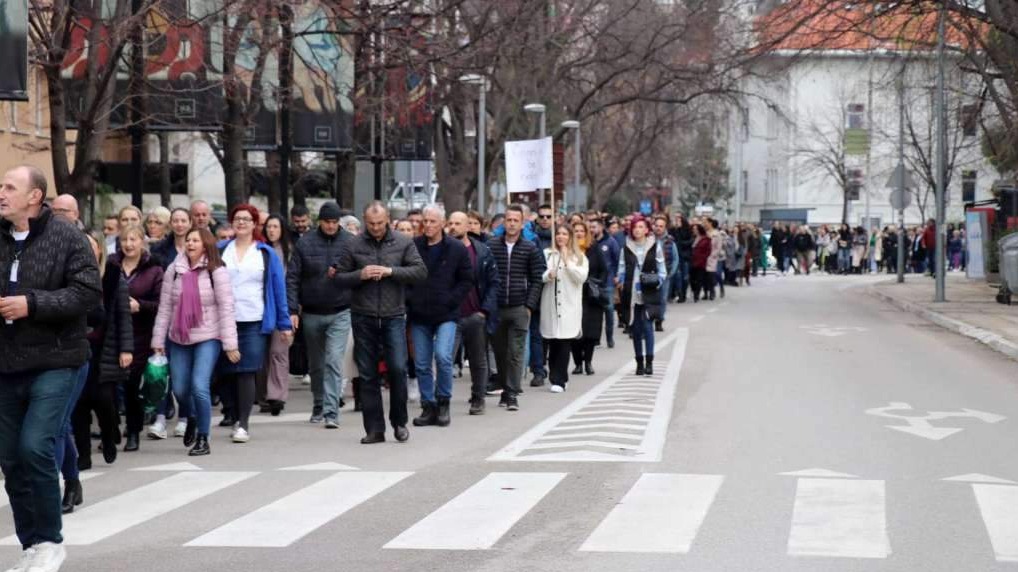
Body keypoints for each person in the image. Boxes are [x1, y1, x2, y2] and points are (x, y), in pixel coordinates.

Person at [0, 165, 102, 572]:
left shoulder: (66, 237)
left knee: (34, 446)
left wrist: (33, 304)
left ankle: (50, 542)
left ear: (35, 197)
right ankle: (32, 545)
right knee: (9, 458)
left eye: (10, 187)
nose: (1, 193)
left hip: (58, 360)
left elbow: (88, 292)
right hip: (7, 363)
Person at [335, 201, 427, 444]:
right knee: (367, 375)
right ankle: (374, 429)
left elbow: (420, 272)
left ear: (387, 219)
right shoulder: (352, 243)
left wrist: (390, 272)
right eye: (371, 223)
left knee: (397, 369)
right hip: (363, 315)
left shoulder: (403, 242)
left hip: (393, 315)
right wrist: (360, 275)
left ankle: (399, 423)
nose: (376, 228)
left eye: (380, 223)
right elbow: (338, 278)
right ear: (365, 221)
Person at [152, 228, 239, 456]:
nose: (190, 244)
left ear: (205, 244)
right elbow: (164, 309)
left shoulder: (216, 271)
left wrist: (230, 344)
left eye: (195, 240)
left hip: (208, 336)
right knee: (180, 390)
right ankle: (190, 416)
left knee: (199, 386)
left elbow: (227, 308)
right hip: (179, 337)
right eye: (188, 240)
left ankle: (203, 437)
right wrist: (158, 340)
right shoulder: (174, 270)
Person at [217, 205, 292, 442]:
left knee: (246, 371)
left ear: (254, 224)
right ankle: (232, 412)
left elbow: (278, 291)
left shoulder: (265, 253)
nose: (241, 223)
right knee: (226, 371)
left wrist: (284, 323)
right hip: (223, 319)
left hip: (254, 320)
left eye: (246, 219)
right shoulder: (219, 250)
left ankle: (243, 423)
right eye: (237, 219)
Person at [286, 202, 354, 427]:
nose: (331, 226)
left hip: (341, 310)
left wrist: (344, 274)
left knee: (334, 361)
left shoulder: (350, 243)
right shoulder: (305, 243)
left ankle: (331, 411)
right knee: (316, 364)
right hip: (312, 312)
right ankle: (318, 402)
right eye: (327, 222)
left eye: (335, 222)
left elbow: (359, 273)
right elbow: (293, 277)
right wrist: (293, 310)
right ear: (320, 222)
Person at [407, 206, 472, 427]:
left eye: (433, 221)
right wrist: (411, 299)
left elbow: (466, 279)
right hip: (419, 313)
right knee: (422, 363)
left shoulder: (455, 248)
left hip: (446, 313)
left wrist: (451, 300)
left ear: (442, 223)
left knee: (443, 357)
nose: (428, 225)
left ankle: (444, 401)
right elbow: (405, 274)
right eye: (425, 221)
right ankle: (429, 405)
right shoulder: (413, 246)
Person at [107, 225, 163, 453]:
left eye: (133, 239)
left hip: (141, 334)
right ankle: (110, 430)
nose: (128, 244)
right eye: (124, 240)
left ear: (142, 242)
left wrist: (140, 305)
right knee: (108, 387)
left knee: (131, 387)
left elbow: (161, 304)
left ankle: (133, 431)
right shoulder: (111, 264)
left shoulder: (154, 269)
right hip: (113, 333)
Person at [487, 205, 545, 411]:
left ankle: (512, 393)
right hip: (497, 308)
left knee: (516, 352)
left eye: (515, 220)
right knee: (500, 353)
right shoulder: (492, 245)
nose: (511, 224)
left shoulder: (529, 248)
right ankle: (504, 388)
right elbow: (485, 276)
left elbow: (537, 279)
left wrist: (529, 305)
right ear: (504, 222)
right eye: (508, 220)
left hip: (519, 308)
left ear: (522, 223)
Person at [447, 212, 499, 415]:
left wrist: (484, 311)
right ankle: (441, 399)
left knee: (478, 360)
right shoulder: (442, 250)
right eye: (450, 223)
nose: (453, 226)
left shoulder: (482, 251)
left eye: (457, 223)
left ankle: (478, 398)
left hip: (475, 314)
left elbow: (494, 282)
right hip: (449, 316)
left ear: (468, 226)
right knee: (444, 358)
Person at [540, 225, 589, 393]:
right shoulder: (548, 255)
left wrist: (568, 261)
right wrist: (547, 275)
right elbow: (538, 276)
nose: (561, 237)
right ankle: (559, 376)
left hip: (569, 306)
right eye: (558, 233)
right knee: (553, 341)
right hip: (550, 306)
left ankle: (558, 380)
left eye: (564, 234)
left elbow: (581, 277)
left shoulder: (579, 257)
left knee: (564, 342)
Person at [618, 216, 666, 376]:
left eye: (641, 227)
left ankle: (649, 362)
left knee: (647, 327)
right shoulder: (626, 248)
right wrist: (621, 281)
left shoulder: (655, 246)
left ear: (647, 230)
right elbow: (622, 269)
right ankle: (639, 362)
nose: (637, 229)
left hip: (649, 292)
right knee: (636, 330)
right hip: (632, 294)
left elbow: (662, 269)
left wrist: (658, 281)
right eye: (635, 227)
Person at [261, 216, 293, 415]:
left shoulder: (290, 252)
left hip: (284, 307)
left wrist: (294, 309)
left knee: (279, 352)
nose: (272, 230)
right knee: (262, 354)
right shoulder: (260, 250)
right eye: (269, 226)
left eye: (275, 226)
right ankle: (264, 395)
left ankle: (277, 396)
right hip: (262, 307)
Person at [571, 221, 606, 377]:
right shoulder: (569, 251)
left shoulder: (594, 249)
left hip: (591, 296)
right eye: (576, 231)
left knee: (590, 332)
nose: (579, 234)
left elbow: (604, 270)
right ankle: (578, 362)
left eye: (582, 231)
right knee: (575, 332)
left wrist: (597, 284)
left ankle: (588, 362)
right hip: (573, 295)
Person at [527, 204, 554, 388]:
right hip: (536, 289)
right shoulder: (531, 238)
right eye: (542, 216)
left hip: (553, 292)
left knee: (552, 333)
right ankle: (538, 369)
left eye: (548, 216)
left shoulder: (558, 238)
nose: (545, 219)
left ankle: (555, 366)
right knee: (536, 333)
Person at [590, 215, 619, 348]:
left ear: (601, 227)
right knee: (596, 312)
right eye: (590, 227)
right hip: (592, 281)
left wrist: (615, 275)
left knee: (609, 310)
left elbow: (616, 260)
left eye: (594, 227)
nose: (592, 229)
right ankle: (596, 338)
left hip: (607, 282)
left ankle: (609, 337)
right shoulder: (589, 242)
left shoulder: (611, 242)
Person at [652, 216, 678, 331]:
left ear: (665, 227)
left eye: (661, 226)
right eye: (656, 226)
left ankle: (659, 320)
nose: (658, 228)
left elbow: (675, 258)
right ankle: (649, 318)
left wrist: (670, 273)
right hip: (650, 274)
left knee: (662, 299)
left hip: (664, 274)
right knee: (650, 298)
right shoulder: (648, 238)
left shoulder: (670, 240)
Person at [670, 214, 692, 303]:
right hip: (676, 256)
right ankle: (679, 294)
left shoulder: (687, 230)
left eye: (679, 219)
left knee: (685, 277)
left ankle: (683, 292)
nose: (677, 221)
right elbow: (673, 240)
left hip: (685, 256)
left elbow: (689, 241)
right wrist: (676, 229)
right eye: (676, 219)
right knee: (677, 277)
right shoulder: (673, 230)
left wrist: (682, 242)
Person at [690, 223, 711, 302]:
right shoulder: (693, 238)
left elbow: (708, 250)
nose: (694, 231)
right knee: (692, 278)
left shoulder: (706, 239)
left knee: (699, 278)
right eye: (693, 229)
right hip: (692, 260)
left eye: (695, 229)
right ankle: (694, 290)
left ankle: (696, 294)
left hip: (701, 261)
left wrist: (703, 258)